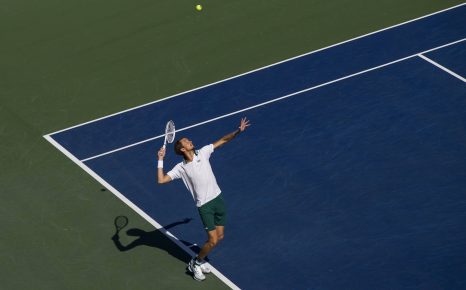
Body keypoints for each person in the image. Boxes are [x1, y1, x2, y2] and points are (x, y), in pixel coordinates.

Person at [156, 117, 251, 281]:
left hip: (218, 199)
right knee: (212, 240)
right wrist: (160, 160)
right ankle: (195, 262)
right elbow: (161, 180)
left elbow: (222, 140)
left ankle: (198, 261)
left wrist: (238, 131)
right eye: (187, 141)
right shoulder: (181, 168)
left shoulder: (204, 151)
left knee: (220, 237)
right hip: (205, 206)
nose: (190, 141)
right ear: (183, 149)